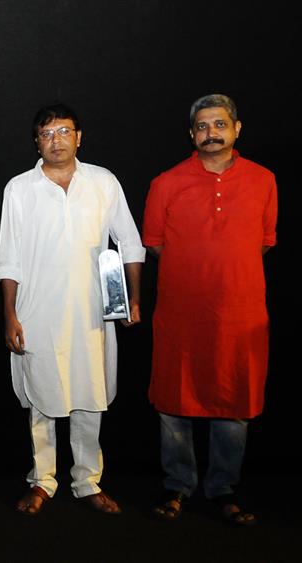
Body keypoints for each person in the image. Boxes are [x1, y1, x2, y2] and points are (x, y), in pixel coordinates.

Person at [0, 103, 144, 516]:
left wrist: (134, 297)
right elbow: (8, 258)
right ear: (36, 142)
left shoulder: (103, 181)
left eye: (64, 131)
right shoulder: (19, 188)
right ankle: (42, 480)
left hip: (91, 312)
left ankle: (86, 480)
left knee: (88, 393)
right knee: (42, 400)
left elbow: (130, 242)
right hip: (36, 310)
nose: (56, 140)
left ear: (80, 136)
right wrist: (9, 314)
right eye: (47, 133)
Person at [143, 94, 277, 526]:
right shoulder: (166, 182)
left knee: (233, 400)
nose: (211, 133)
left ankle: (223, 488)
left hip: (240, 313)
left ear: (237, 129)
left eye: (220, 124)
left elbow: (263, 241)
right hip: (182, 313)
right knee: (174, 400)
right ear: (191, 134)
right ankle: (177, 485)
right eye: (202, 126)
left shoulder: (263, 180)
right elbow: (156, 244)